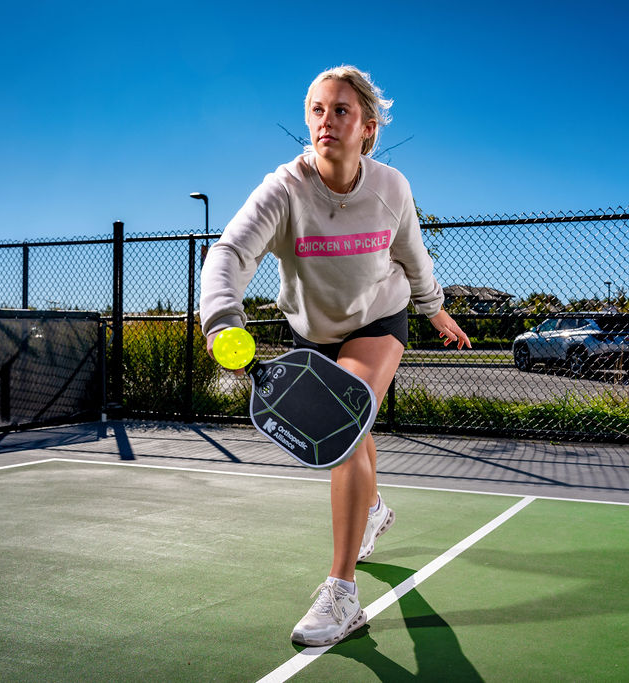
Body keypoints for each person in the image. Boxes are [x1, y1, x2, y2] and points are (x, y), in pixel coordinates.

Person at [199, 65, 471, 647]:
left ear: (367, 128)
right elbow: (229, 254)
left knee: (343, 418)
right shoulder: (284, 189)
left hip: (379, 315)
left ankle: (342, 594)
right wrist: (222, 321)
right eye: (318, 110)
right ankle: (371, 508)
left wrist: (435, 310)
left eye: (341, 110)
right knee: (356, 427)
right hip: (312, 330)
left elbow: (414, 258)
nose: (327, 121)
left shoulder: (391, 188)